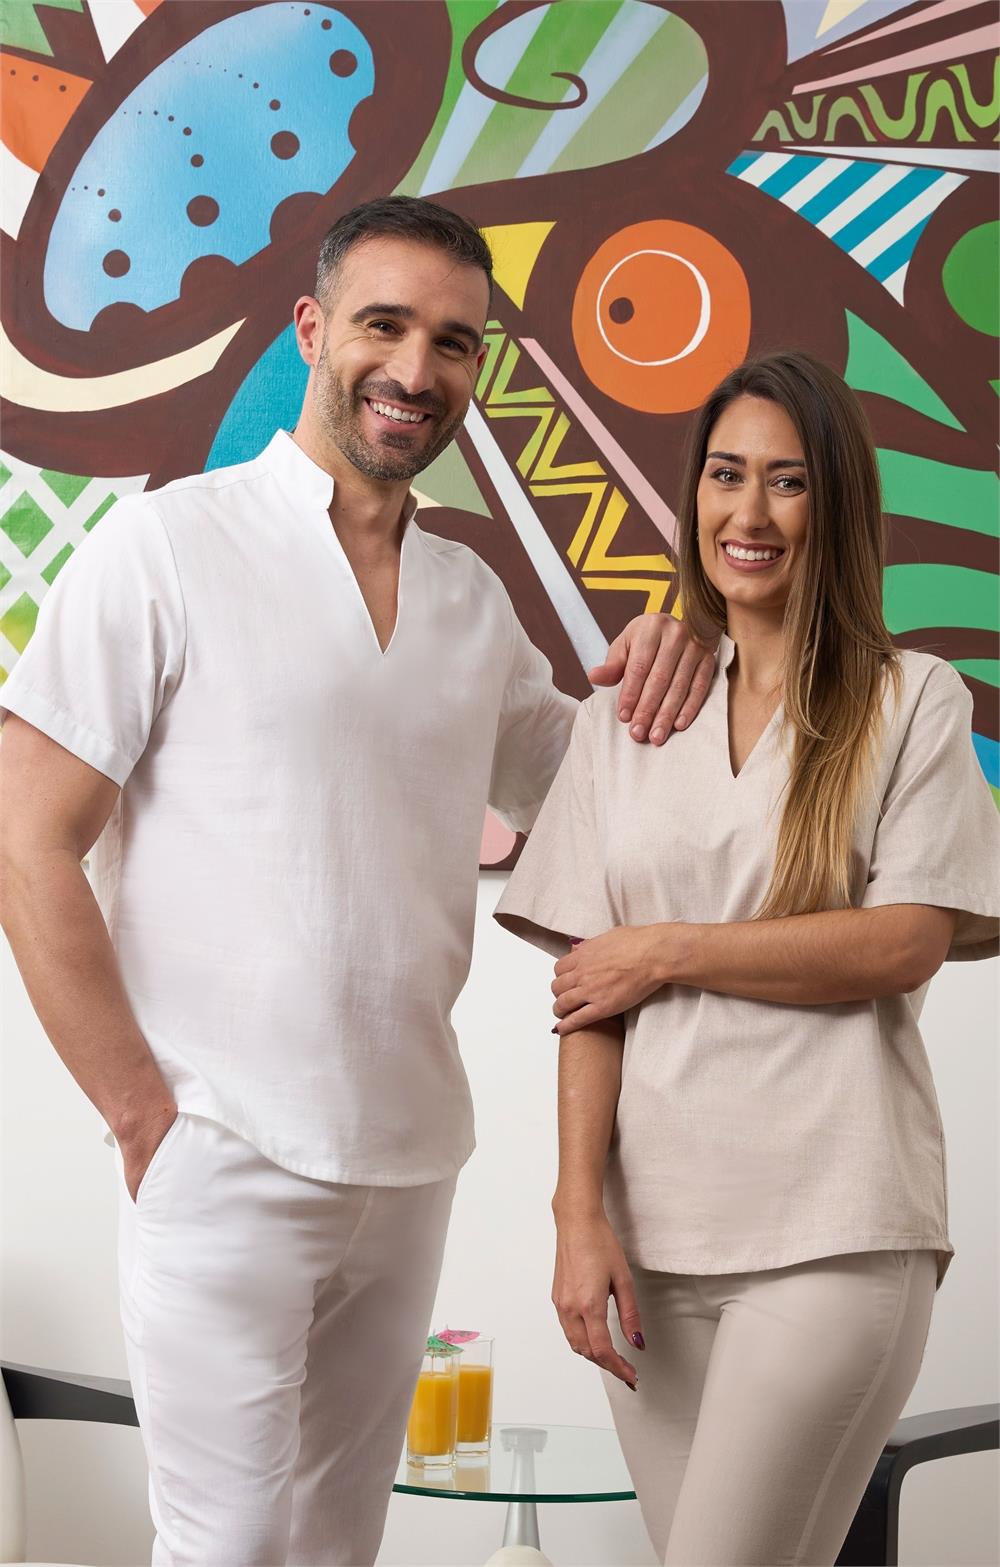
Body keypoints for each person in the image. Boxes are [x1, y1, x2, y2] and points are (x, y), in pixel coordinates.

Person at [0, 197, 716, 1566]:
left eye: (454, 342)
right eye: (384, 324)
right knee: (222, 1546)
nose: (415, 368)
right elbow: (23, 834)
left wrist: (677, 655)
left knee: (337, 1547)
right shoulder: (171, 546)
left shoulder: (469, 597)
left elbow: (597, 797)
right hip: (218, 1143)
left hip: (409, 1154)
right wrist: (142, 1111)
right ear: (311, 330)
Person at [494, 350, 999, 1565]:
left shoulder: (910, 699)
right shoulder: (629, 715)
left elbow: (902, 940)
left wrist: (667, 949)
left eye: (787, 480)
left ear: (836, 502)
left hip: (831, 1229)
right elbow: (588, 992)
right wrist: (575, 1214)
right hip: (648, 1249)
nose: (750, 512)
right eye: (725, 475)